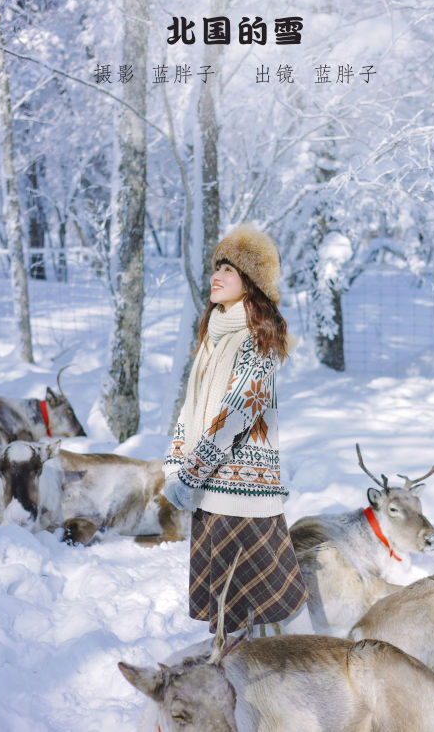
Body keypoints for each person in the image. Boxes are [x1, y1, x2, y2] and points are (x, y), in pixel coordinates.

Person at [163, 225, 310, 634]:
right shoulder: (214, 336)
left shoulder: (257, 341)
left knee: (257, 610)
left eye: (228, 269)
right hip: (210, 491)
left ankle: (296, 673)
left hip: (241, 495)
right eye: (217, 266)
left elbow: (236, 415)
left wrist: (192, 472)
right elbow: (189, 411)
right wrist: (175, 466)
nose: (216, 275)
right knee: (228, 616)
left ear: (250, 283)